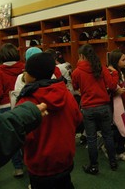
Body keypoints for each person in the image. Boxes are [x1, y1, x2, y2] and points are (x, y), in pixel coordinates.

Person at [16, 52, 82, 189]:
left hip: (39, 165)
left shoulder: (26, 100)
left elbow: (23, 136)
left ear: (32, 75)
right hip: (64, 160)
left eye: (26, 71)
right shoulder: (65, 93)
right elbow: (77, 119)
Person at [72, 44, 119, 174]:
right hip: (103, 107)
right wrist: (114, 73)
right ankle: (113, 162)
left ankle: (93, 166)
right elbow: (112, 85)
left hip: (88, 108)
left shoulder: (77, 71)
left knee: (91, 139)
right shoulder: (101, 68)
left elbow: (75, 86)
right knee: (108, 136)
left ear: (81, 56)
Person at [0, 43, 25, 177]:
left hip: (5, 107)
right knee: (26, 136)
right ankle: (28, 163)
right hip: (23, 105)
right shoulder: (24, 67)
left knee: (12, 139)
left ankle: (18, 168)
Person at [0, 101, 47, 168]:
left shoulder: (24, 99)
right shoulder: (65, 94)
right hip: (60, 157)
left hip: (36, 163)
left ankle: (18, 166)